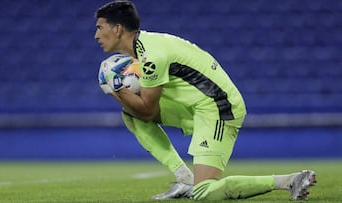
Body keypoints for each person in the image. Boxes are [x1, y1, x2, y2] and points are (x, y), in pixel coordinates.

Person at [94, 0, 317, 201]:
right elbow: (142, 112)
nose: (96, 35)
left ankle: (290, 180)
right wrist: (121, 91)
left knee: (205, 192)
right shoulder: (145, 47)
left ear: (117, 29)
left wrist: (118, 89)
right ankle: (184, 179)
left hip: (219, 107)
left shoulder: (152, 56)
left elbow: (147, 110)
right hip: (197, 106)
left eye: (100, 28)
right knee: (130, 114)